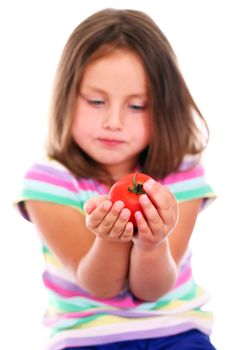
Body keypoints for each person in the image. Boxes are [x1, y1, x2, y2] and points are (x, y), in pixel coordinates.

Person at [15, 8, 217, 350]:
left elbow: (152, 290)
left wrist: (152, 242)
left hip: (178, 332)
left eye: (136, 106)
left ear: (164, 109)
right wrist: (109, 238)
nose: (114, 121)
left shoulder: (182, 174)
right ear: (67, 97)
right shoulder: (48, 182)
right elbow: (100, 287)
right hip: (86, 339)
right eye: (96, 101)